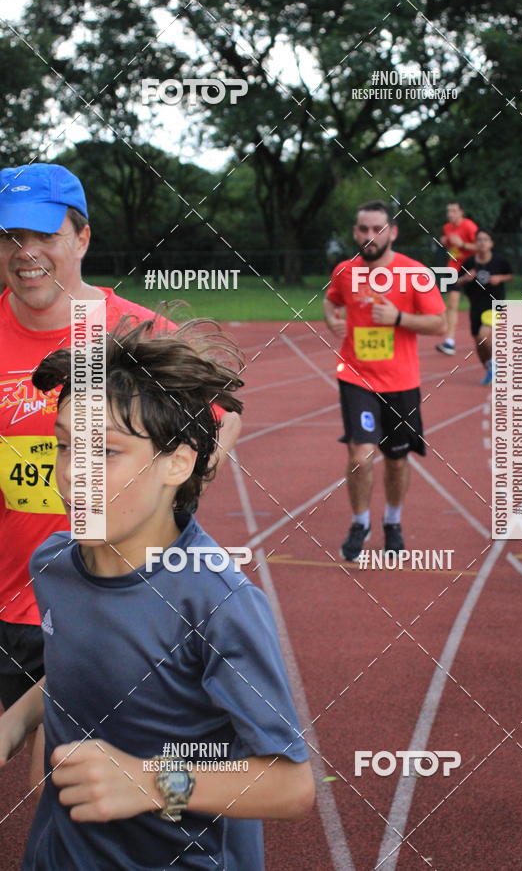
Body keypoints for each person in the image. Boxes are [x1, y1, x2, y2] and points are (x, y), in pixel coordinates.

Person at [0, 319, 314, 869]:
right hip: (62, 852)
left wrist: (151, 781)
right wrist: (17, 721)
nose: (75, 475)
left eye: (106, 452)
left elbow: (290, 787)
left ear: (178, 462)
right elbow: (78, 658)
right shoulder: (53, 562)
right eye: (65, 445)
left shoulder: (216, 602)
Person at [0, 162, 241, 714]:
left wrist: (181, 487)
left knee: (73, 778)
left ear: (82, 237)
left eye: (44, 235)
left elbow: (222, 417)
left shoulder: (135, 331)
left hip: (115, 601)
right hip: (9, 601)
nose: (24, 252)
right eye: (11, 236)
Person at [323, 200, 447, 562]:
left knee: (396, 459)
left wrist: (397, 318)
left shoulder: (415, 273)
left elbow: (439, 323)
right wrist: (332, 318)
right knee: (360, 455)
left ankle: (392, 521)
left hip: (401, 381)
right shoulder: (344, 271)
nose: (369, 236)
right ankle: (360, 522)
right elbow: (331, 302)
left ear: (392, 232)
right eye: (363, 228)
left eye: (377, 228)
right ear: (354, 232)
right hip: (356, 376)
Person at [457, 229, 513, 384]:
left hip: (495, 304)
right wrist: (466, 279)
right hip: (475, 305)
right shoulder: (469, 262)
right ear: (475, 243)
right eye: (479, 239)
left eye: (486, 239)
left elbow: (510, 275)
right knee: (478, 342)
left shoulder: (500, 261)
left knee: (483, 336)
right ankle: (489, 368)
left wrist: (500, 278)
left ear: (491, 243)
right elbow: (457, 281)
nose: (482, 242)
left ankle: (496, 363)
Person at [436, 201, 478, 355]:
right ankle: (449, 342)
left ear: (461, 212)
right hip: (453, 268)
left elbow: (481, 246)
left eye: (454, 210)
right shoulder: (447, 228)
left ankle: (483, 335)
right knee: (452, 304)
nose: (450, 214)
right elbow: (452, 248)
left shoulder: (469, 226)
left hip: (471, 268)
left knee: (477, 305)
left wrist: (464, 245)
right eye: (448, 211)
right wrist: (446, 241)